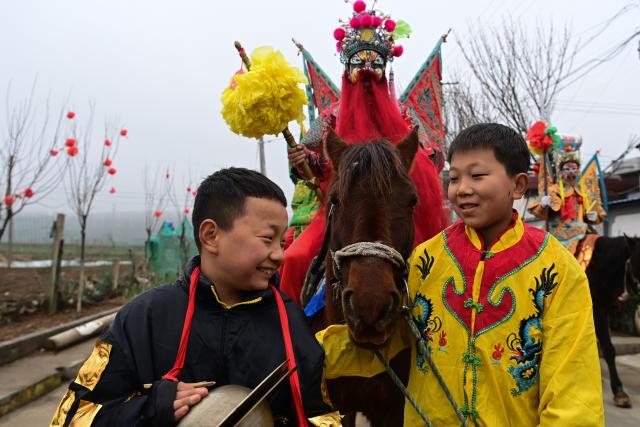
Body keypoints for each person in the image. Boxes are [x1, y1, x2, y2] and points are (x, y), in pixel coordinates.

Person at [317, 123, 604, 425]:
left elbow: (574, 392)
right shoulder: (425, 260)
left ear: (518, 186)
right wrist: (308, 352)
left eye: (477, 176)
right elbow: (387, 341)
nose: (463, 188)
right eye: (454, 178)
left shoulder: (557, 268)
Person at [50, 168, 340, 426]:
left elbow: (323, 416)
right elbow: (71, 416)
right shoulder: (144, 318)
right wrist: (151, 409)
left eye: (281, 241)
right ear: (211, 235)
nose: (279, 254)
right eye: (268, 239)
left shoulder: (292, 324)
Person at [281, 1, 447, 304]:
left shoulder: (406, 116)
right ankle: (289, 336)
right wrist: (303, 160)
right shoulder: (330, 117)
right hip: (343, 213)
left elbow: (434, 156)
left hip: (395, 216)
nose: (368, 70)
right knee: (294, 258)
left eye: (375, 64)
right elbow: (312, 165)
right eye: (359, 63)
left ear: (385, 70)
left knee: (436, 269)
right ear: (347, 68)